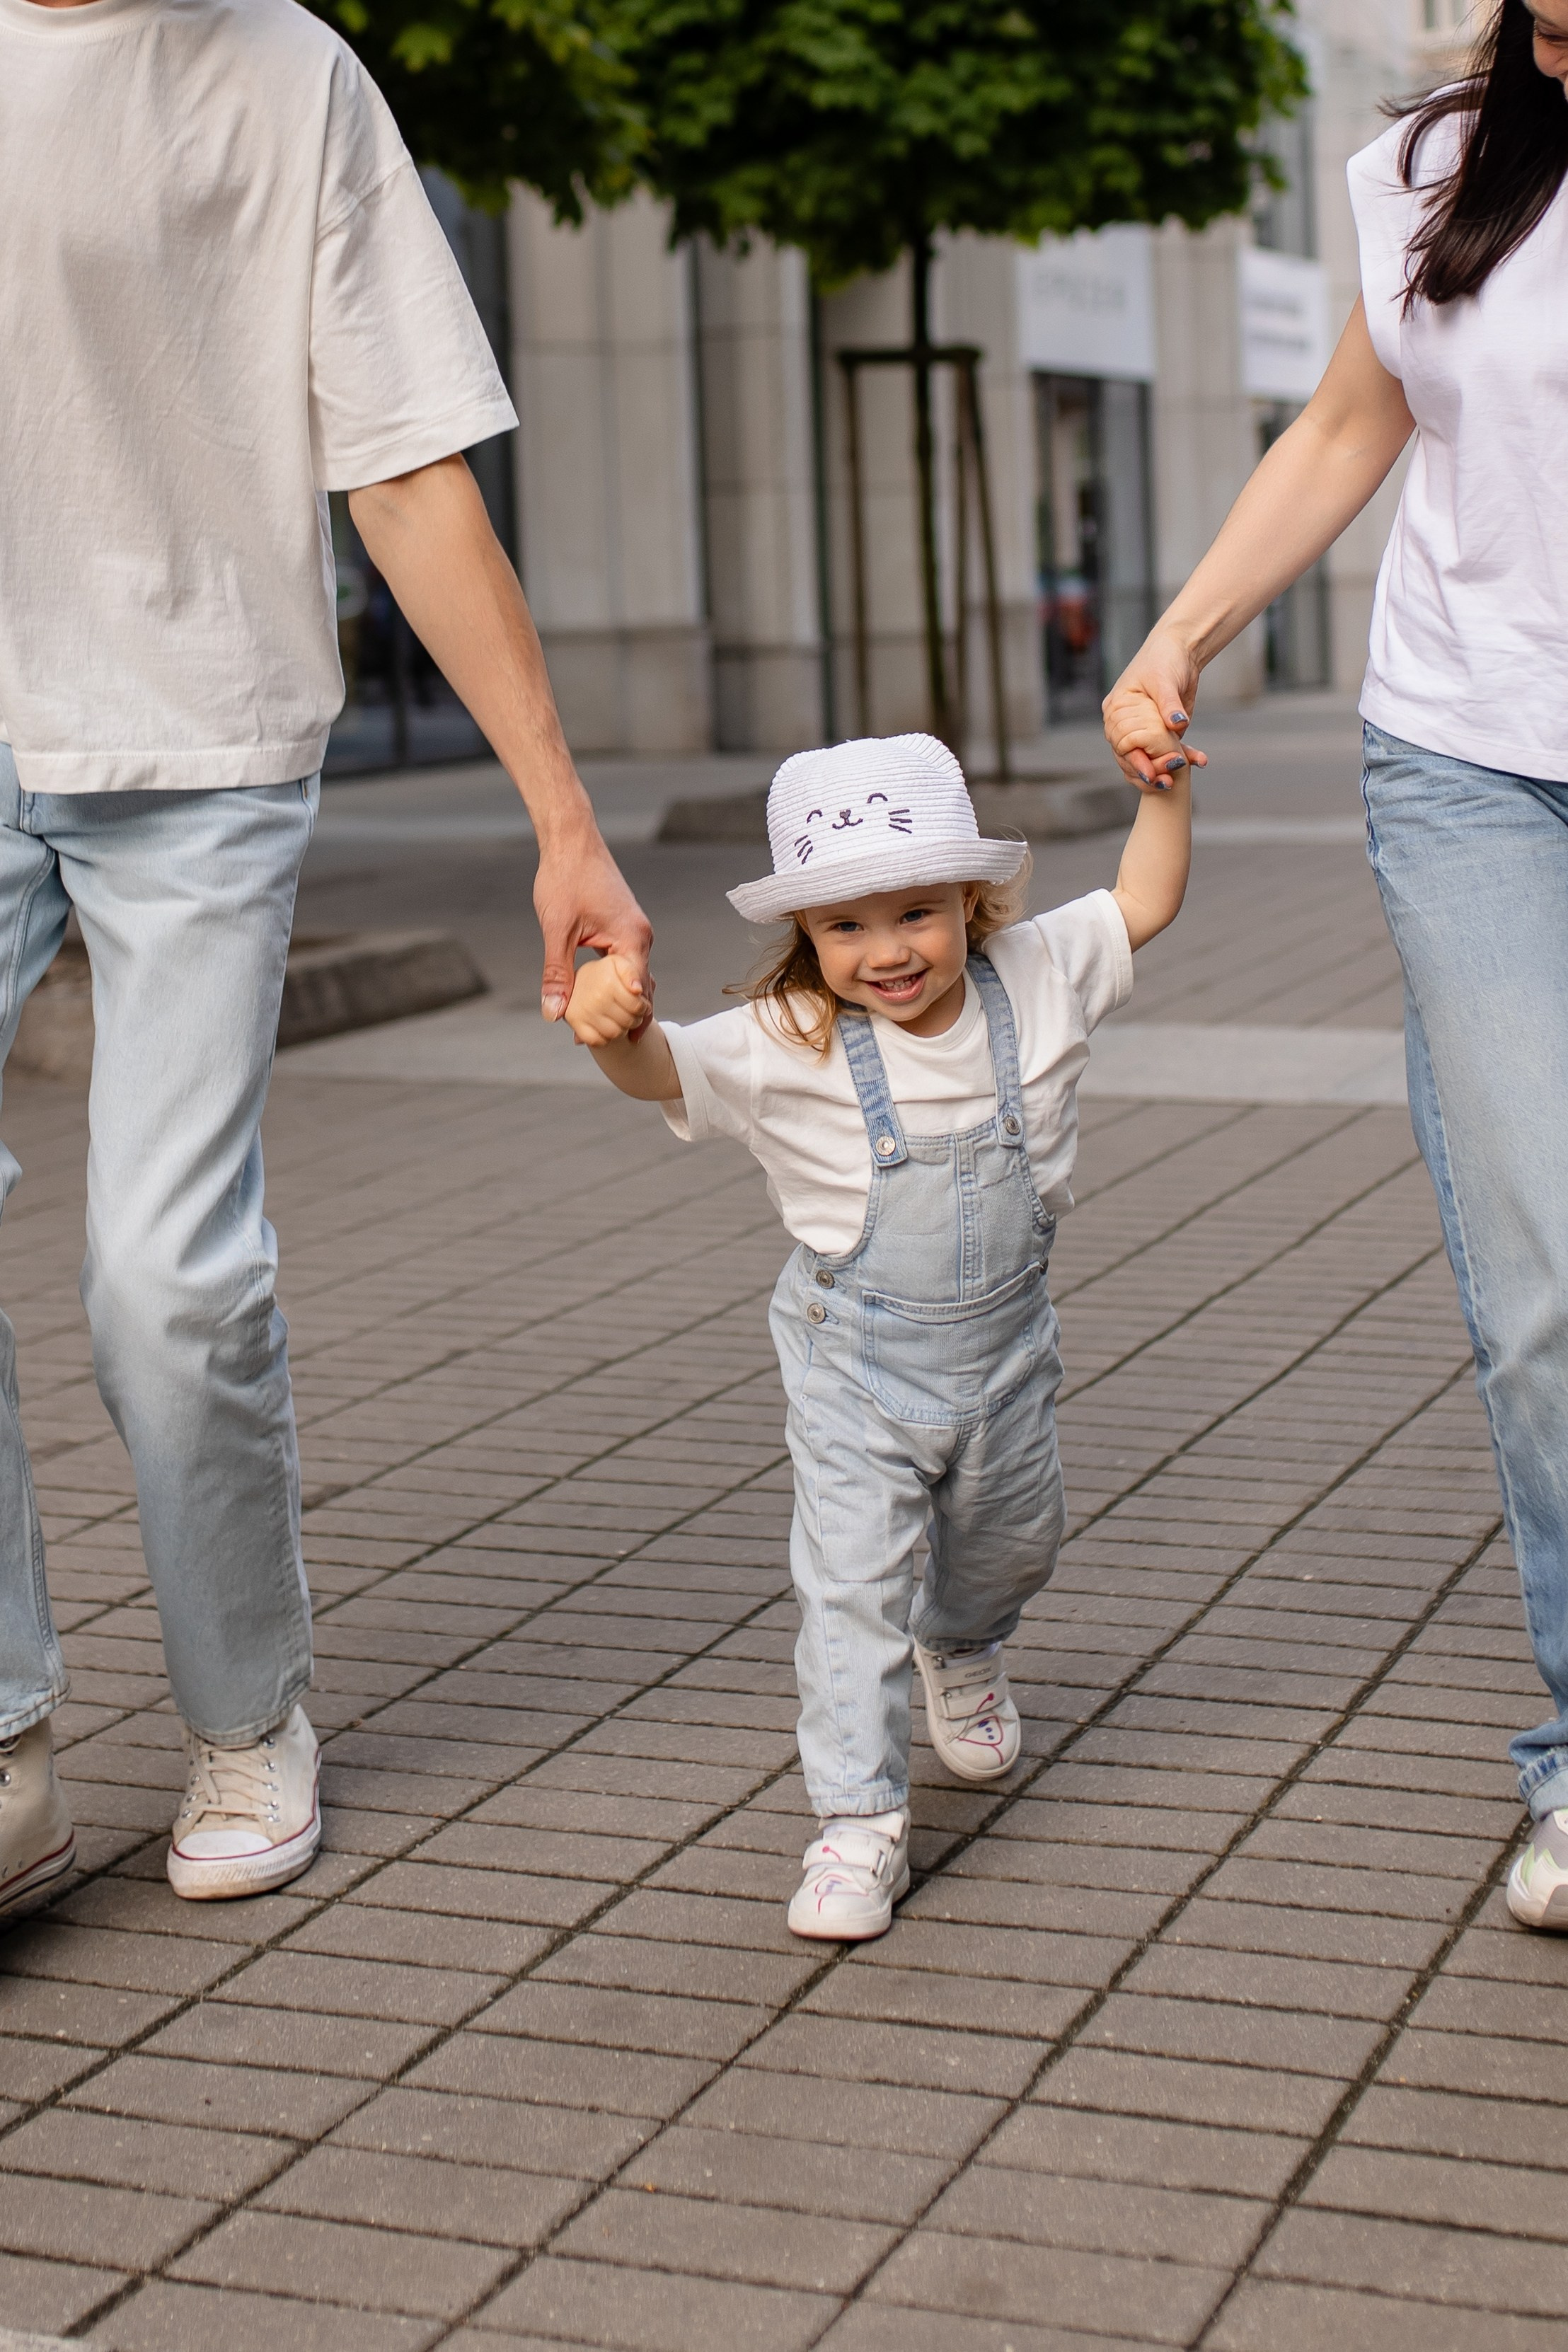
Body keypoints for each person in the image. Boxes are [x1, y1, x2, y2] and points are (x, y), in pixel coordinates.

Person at [0, 0, 650, 1910]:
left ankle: (244, 1709)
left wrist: (562, 818)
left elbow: (405, 467)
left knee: (165, 1273)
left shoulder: (289, 77)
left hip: (198, 732)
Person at [1102, 0, 1568, 1933]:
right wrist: (1179, 634)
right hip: (1472, 757)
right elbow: (1352, 421)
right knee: (1549, 1279)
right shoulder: (1435, 166)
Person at [564, 734, 1190, 1938]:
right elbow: (665, 1075)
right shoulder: (786, 1036)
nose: (888, 952)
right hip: (853, 1364)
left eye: (917, 913)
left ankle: (963, 1646)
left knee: (1014, 1538)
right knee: (850, 1586)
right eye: (846, 928)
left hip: (1007, 1355)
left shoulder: (1042, 972)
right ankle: (854, 1823)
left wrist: (1164, 789)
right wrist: (610, 1029)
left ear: (973, 900)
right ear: (807, 936)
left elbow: (1146, 899)